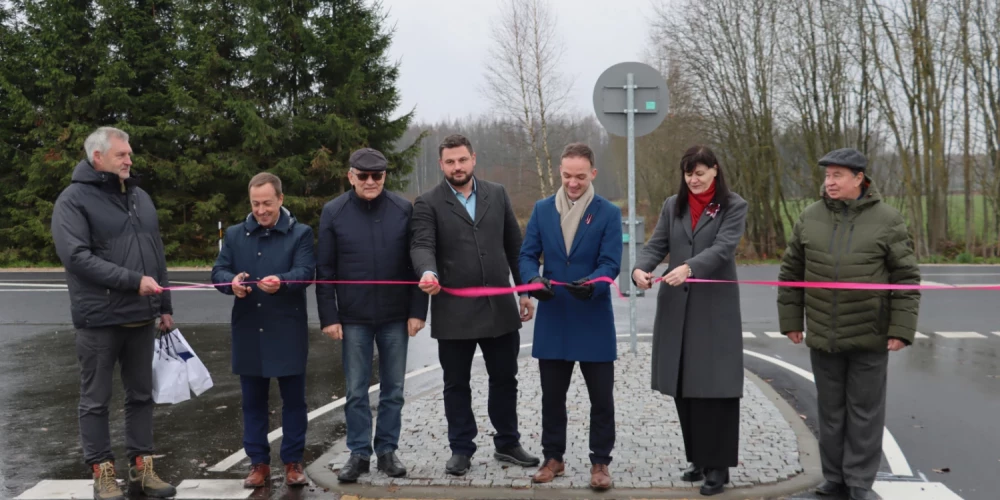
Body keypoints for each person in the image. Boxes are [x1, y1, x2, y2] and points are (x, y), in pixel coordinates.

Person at [777, 148, 920, 500]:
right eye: (827, 175)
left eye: (837, 175)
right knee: (830, 412)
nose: (830, 182)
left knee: (864, 413)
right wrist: (792, 321)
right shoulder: (810, 217)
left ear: (859, 178)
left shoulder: (888, 220)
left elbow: (905, 278)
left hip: (870, 336)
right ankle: (834, 477)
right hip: (824, 335)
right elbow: (791, 273)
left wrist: (901, 329)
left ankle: (858, 482)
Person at [50, 126, 177, 500]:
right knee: (96, 400)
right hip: (99, 320)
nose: (129, 160)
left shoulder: (139, 197)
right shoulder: (72, 201)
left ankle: (142, 468)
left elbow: (156, 252)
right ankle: (102, 473)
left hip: (141, 316)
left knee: (141, 396)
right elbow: (76, 257)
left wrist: (164, 305)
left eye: (129, 153)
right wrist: (132, 281)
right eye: (121, 154)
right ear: (98, 157)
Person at [410, 133, 540, 476]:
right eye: (450, 162)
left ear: (473, 159)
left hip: (500, 309)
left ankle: (507, 443)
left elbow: (515, 246)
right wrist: (427, 271)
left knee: (505, 379)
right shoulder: (427, 202)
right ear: (441, 165)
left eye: (462, 160)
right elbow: (422, 245)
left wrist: (524, 291)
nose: (457, 167)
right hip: (453, 313)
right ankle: (461, 449)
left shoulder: (497, 194)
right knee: (456, 384)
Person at [632, 145, 748, 497]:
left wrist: (690, 267)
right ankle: (698, 458)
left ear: (714, 170)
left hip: (714, 311)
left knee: (715, 388)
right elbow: (657, 244)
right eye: (688, 174)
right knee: (684, 385)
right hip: (677, 309)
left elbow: (723, 248)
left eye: (699, 173)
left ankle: (718, 467)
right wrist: (640, 268)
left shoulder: (733, 206)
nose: (693, 180)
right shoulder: (673, 205)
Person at [315, 148, 429, 482]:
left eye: (376, 175)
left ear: (384, 176)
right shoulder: (333, 212)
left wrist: (417, 311)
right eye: (362, 175)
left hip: (395, 316)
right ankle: (359, 453)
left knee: (394, 389)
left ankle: (388, 451)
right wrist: (329, 317)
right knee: (356, 391)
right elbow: (325, 270)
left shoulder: (403, 209)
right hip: (353, 318)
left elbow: (416, 264)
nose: (369, 181)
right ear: (350, 176)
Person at [518, 143, 622, 491]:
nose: (573, 183)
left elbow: (611, 263)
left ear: (593, 173)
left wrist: (593, 284)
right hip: (554, 316)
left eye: (580, 176)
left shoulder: (608, 212)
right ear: (559, 172)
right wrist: (532, 280)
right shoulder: (542, 209)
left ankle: (600, 462)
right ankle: (553, 458)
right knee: (552, 397)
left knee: (601, 399)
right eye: (567, 176)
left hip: (593, 317)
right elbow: (527, 255)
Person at [211, 172, 316, 489]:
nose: (261, 210)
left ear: (281, 199)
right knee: (252, 403)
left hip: (287, 330)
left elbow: (305, 272)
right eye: (255, 204)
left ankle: (293, 462)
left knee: (294, 402)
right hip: (249, 330)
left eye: (267, 203)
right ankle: (258, 463)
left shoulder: (301, 233)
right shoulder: (234, 234)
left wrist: (282, 281)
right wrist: (230, 283)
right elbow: (218, 271)